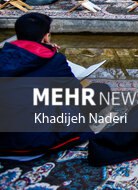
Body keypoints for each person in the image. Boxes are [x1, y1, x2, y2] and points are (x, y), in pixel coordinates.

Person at [0, 13, 109, 158]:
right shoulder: (54, 60)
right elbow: (75, 94)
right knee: (100, 91)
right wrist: (53, 55)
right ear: (46, 36)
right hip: (34, 142)